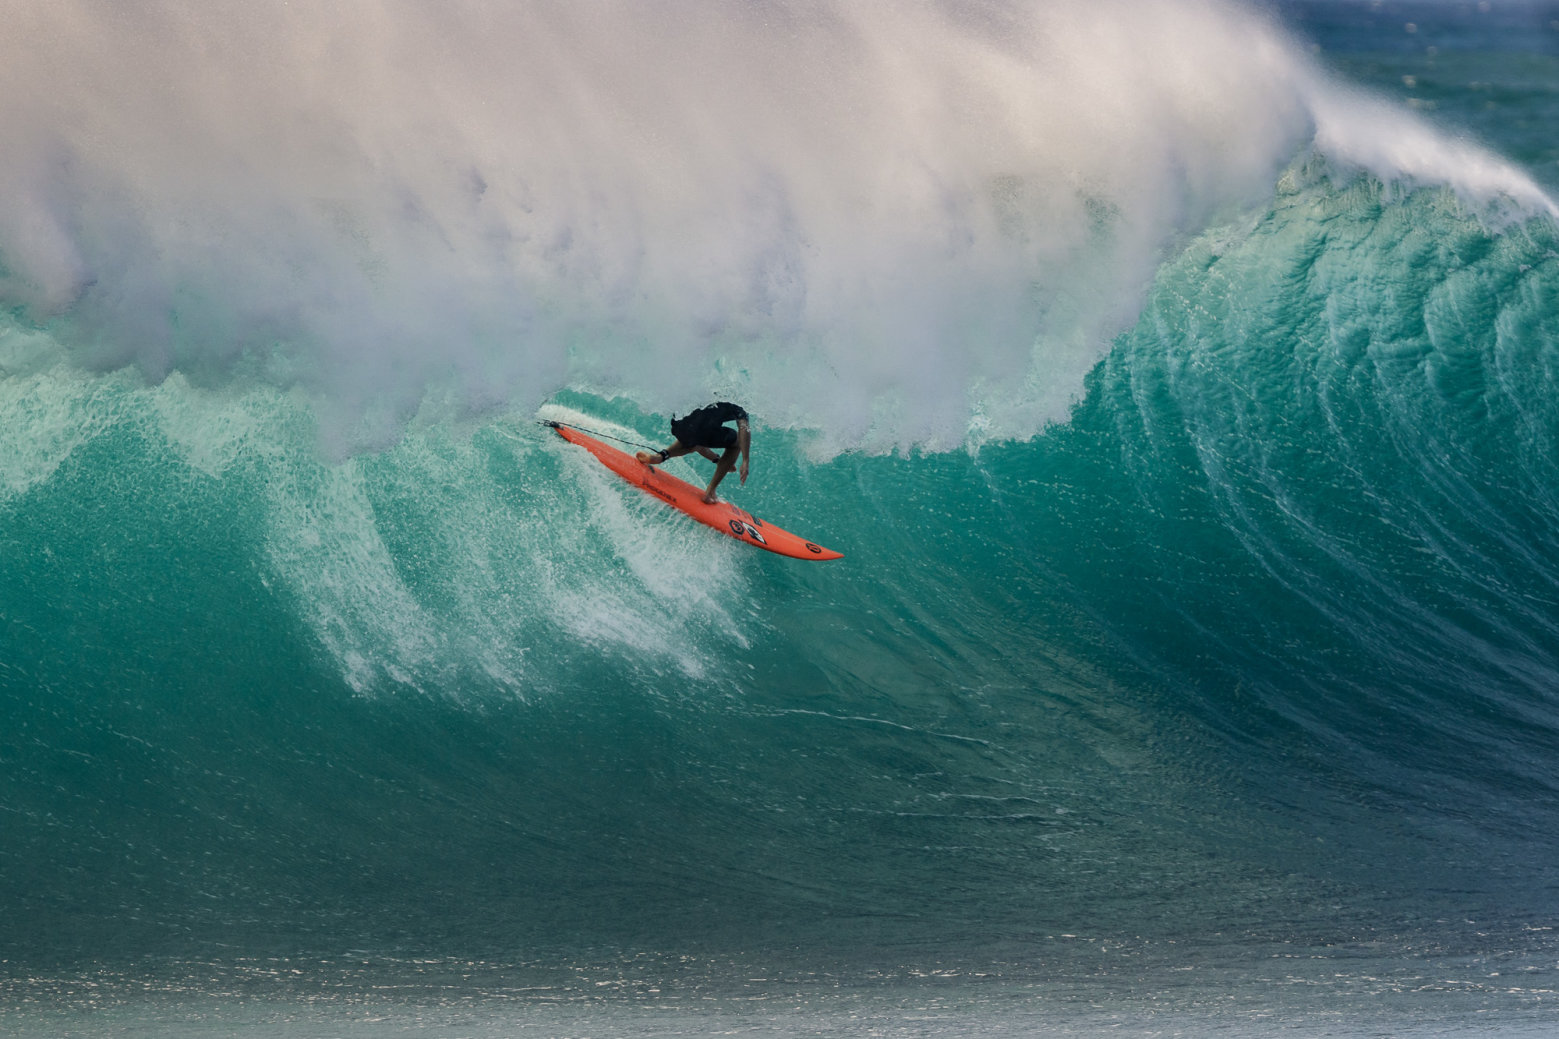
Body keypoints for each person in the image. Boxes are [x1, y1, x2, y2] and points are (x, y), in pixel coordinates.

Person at [636, 402, 751, 504]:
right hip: (700, 431)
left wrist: (718, 460)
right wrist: (745, 459)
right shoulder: (739, 402)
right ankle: (710, 491)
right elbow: (743, 427)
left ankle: (660, 456)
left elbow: (699, 445)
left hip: (679, 424)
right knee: (735, 442)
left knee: (692, 439)